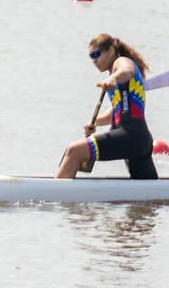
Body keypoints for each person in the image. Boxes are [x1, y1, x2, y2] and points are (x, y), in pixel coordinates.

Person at [55, 34, 159, 179]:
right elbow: (115, 111)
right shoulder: (119, 83)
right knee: (150, 192)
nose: (94, 60)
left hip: (129, 135)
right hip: (139, 140)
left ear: (110, 50)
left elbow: (127, 70)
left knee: (74, 151)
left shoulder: (121, 62)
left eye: (97, 54)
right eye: (91, 57)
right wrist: (95, 122)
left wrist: (113, 78)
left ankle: (57, 195)